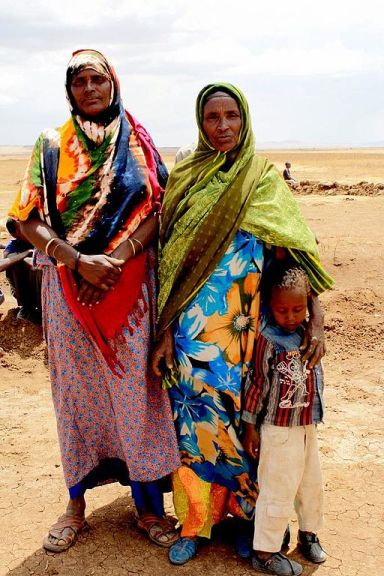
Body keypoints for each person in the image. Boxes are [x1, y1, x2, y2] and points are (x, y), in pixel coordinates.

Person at [152, 82, 333, 565]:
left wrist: (315, 319)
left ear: (245, 118)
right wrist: (165, 331)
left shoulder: (262, 180)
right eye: (213, 118)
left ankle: (251, 524)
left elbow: (295, 258)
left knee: (251, 430)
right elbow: (169, 265)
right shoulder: (186, 179)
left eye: (231, 116)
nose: (223, 126)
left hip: (251, 337)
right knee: (195, 430)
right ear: (200, 122)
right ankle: (195, 524)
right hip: (193, 338)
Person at [9, 49, 180, 553]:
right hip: (68, 291)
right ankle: (76, 504)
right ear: (69, 91)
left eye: (97, 79)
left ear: (114, 83)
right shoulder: (50, 146)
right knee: (77, 398)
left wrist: (119, 256)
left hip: (131, 291)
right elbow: (26, 218)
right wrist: (77, 259)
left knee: (138, 396)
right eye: (79, 81)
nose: (90, 88)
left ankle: (149, 507)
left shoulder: (139, 142)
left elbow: (158, 207)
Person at [243, 263, 326, 576]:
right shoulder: (267, 339)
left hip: (307, 423)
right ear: (268, 306)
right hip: (278, 429)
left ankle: (309, 533)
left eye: (298, 309)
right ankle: (265, 551)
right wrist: (250, 427)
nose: (291, 317)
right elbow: (256, 384)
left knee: (311, 485)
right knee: (277, 488)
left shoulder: (309, 332)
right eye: (282, 311)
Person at [3, 217, 42, 323]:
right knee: (12, 262)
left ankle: (43, 308)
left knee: (40, 266)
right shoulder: (15, 244)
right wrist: (25, 255)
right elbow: (2, 264)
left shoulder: (41, 236)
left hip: (48, 288)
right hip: (29, 288)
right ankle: (27, 308)